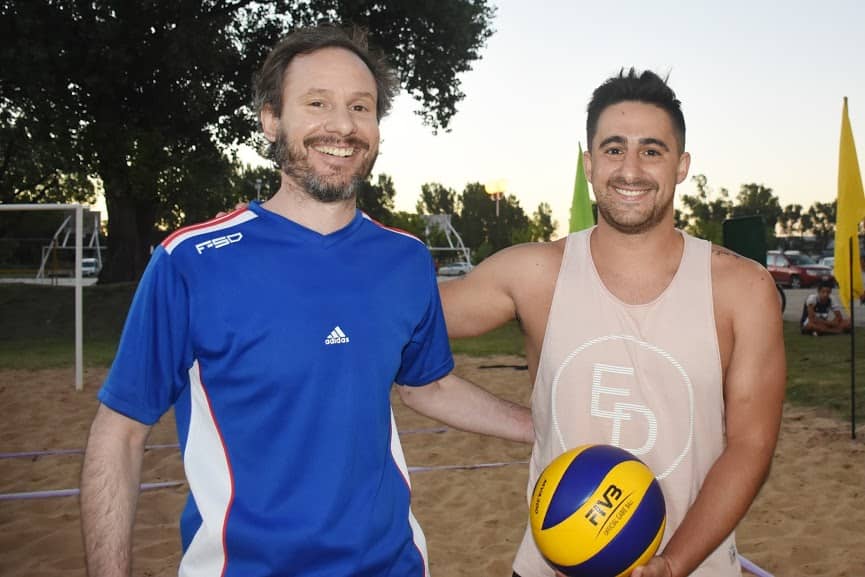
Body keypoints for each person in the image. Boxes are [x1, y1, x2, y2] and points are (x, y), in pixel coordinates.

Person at [79, 25, 532, 577]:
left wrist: (541, 425)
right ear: (272, 118)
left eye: (360, 107)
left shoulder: (406, 260)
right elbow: (120, 432)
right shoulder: (191, 261)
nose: (342, 126)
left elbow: (427, 385)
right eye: (317, 103)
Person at [439, 69, 786, 577]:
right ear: (588, 162)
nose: (630, 169)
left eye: (652, 150)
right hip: (552, 563)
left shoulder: (743, 289)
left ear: (682, 165)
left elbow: (752, 445)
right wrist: (522, 422)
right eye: (613, 148)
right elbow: (402, 320)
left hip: (692, 564)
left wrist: (672, 562)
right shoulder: (535, 273)